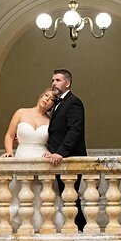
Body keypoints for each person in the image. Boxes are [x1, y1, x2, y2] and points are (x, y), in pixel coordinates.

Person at [46, 68, 87, 230]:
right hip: (58, 159)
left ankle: (80, 228)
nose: (54, 83)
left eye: (58, 80)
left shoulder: (73, 102)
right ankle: (77, 227)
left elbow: (74, 131)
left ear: (67, 83)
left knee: (71, 197)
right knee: (66, 196)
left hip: (70, 158)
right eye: (53, 80)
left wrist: (60, 153)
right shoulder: (57, 103)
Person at [2, 89, 55, 160]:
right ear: (41, 97)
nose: (47, 99)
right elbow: (9, 135)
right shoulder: (20, 113)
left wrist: (50, 152)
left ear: (53, 105)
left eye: (51, 99)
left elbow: (53, 142)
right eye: (46, 95)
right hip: (21, 156)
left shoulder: (51, 121)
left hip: (43, 159)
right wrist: (10, 153)